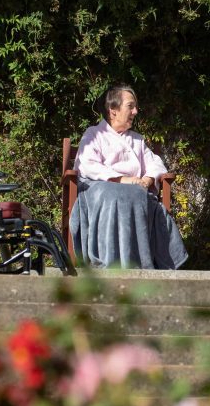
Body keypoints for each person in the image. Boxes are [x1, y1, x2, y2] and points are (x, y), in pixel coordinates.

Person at [70, 84, 188, 269]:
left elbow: (155, 164)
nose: (135, 111)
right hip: (100, 190)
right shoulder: (94, 134)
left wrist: (148, 179)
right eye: (130, 106)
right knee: (118, 194)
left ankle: (136, 263)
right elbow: (86, 163)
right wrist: (122, 179)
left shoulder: (137, 140)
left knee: (134, 194)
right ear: (113, 110)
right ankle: (112, 262)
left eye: (135, 107)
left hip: (135, 190)